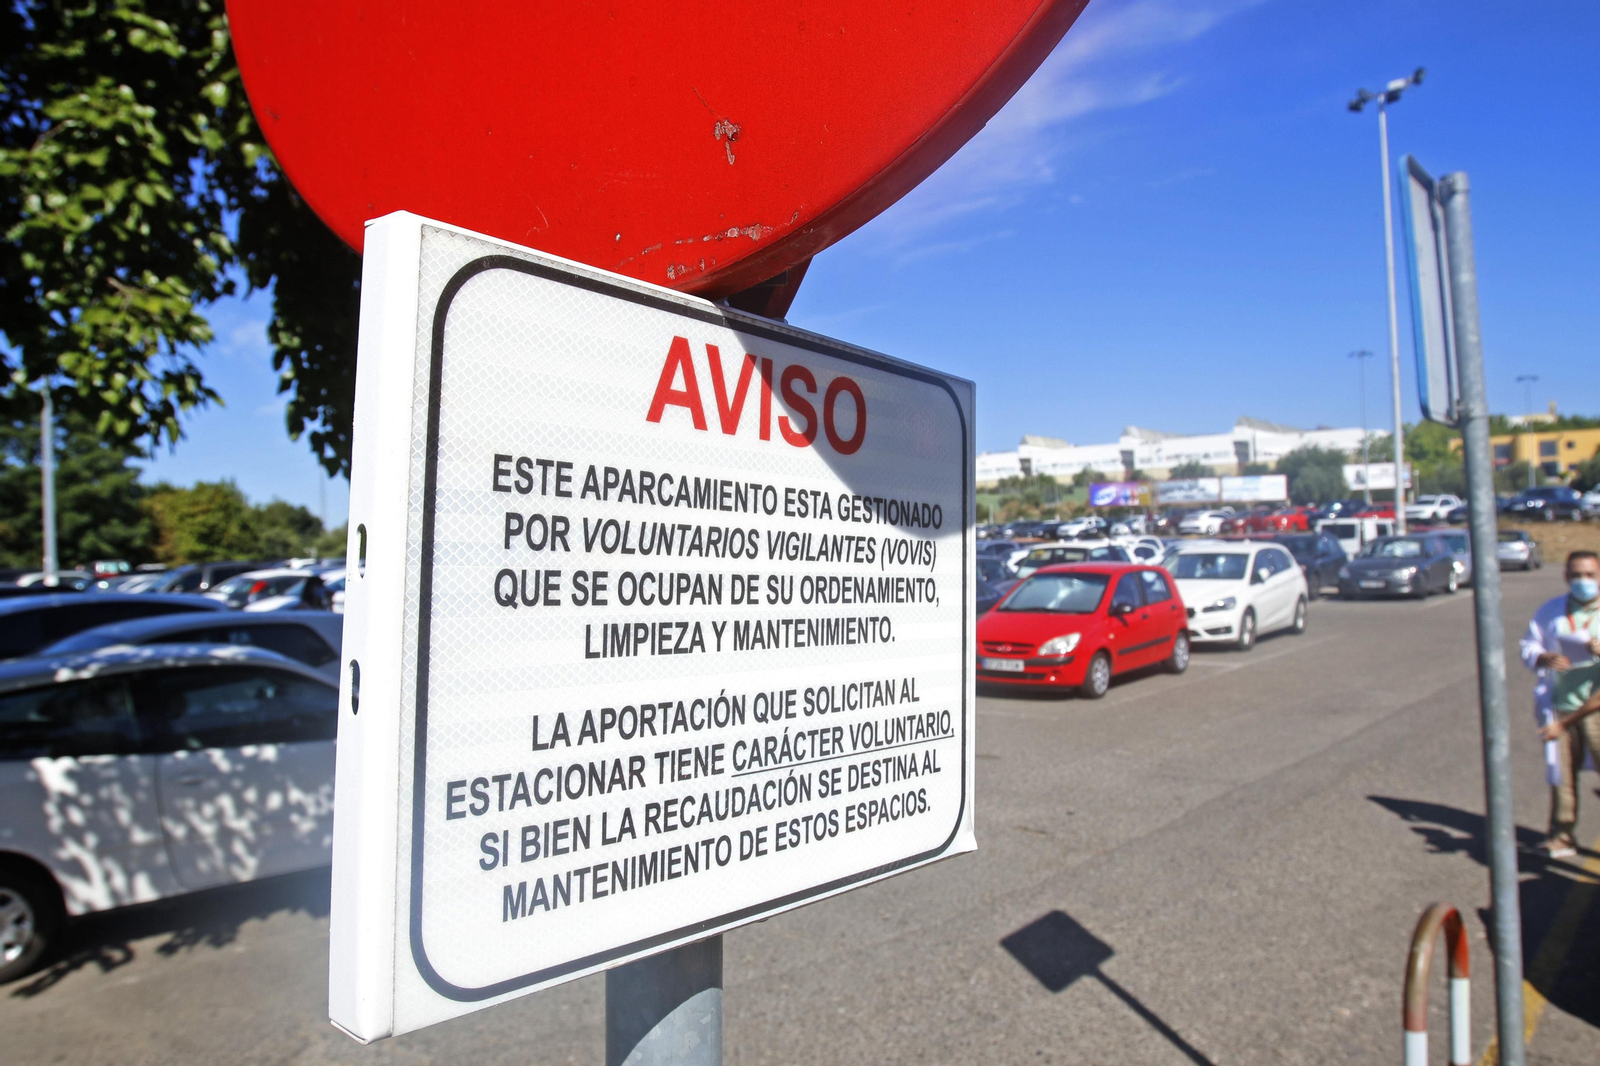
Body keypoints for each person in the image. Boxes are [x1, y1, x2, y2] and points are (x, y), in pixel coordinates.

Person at [1521, 550, 1600, 858]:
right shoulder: (1552, 610)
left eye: (1590, 575)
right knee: (1561, 775)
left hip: (1595, 708)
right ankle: (1562, 835)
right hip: (1560, 703)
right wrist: (1543, 657)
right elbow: (1530, 643)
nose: (1583, 581)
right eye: (1577, 575)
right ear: (1566, 577)